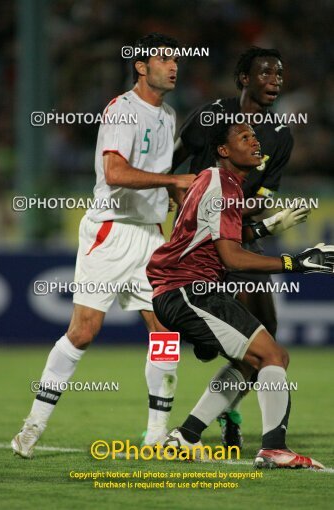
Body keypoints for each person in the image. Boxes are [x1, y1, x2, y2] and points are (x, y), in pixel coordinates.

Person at [11, 33, 195, 458]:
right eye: (164, 59)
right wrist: (172, 181)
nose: (173, 66)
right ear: (141, 66)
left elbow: (156, 178)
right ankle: (31, 428)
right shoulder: (122, 110)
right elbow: (114, 171)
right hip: (112, 231)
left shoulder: (167, 116)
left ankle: (155, 436)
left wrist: (174, 196)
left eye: (176, 59)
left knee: (165, 330)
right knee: (84, 331)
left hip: (150, 235)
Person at [146, 121, 333, 468]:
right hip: (188, 290)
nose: (254, 140)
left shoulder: (215, 180)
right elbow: (231, 257)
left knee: (251, 362)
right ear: (223, 150)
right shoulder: (224, 186)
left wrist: (266, 227)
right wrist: (297, 263)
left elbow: (212, 237)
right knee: (272, 356)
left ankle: (185, 436)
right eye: (244, 137)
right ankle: (275, 449)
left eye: (254, 136)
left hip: (185, 290)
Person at [172, 47, 294, 447]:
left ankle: (226, 415)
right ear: (243, 78)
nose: (275, 79)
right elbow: (172, 163)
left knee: (266, 337)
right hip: (197, 242)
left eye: (279, 73)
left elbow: (266, 193)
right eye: (265, 73)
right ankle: (168, 426)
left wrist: (249, 214)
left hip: (238, 235)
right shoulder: (210, 116)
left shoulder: (280, 136)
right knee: (249, 343)